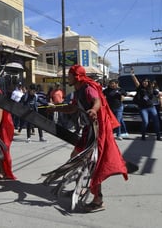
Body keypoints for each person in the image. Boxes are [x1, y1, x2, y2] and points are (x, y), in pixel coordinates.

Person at [47, 64, 128, 212]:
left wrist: (93, 109)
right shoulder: (78, 90)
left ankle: (98, 200)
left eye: (70, 75)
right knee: (76, 158)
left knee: (92, 165)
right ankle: (79, 188)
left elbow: (96, 101)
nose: (68, 78)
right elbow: (72, 108)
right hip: (88, 129)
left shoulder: (87, 88)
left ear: (76, 76)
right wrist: (55, 108)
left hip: (97, 130)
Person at [131, 68, 161, 141]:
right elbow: (136, 82)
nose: (145, 83)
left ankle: (158, 136)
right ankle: (143, 135)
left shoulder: (151, 88)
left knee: (156, 122)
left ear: (148, 82)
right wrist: (132, 75)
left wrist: (159, 97)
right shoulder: (139, 88)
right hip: (143, 108)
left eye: (146, 82)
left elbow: (158, 94)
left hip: (151, 107)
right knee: (145, 122)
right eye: (144, 81)